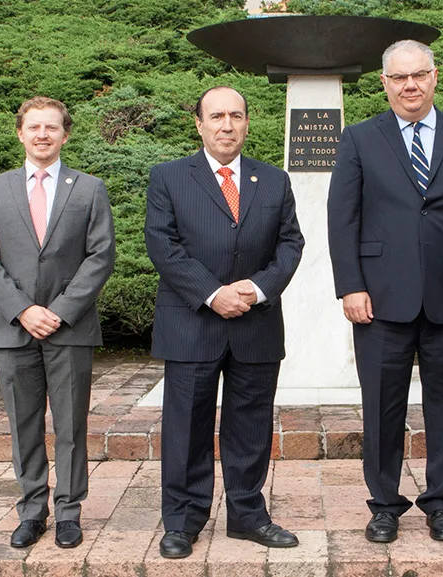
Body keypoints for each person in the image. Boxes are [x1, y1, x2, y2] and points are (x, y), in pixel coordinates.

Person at [327, 40, 443, 543]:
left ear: (434, 76)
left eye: (419, 75)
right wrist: (351, 286)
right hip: (379, 300)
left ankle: (441, 503)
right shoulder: (359, 139)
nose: (410, 85)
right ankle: (384, 505)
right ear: (384, 83)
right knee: (382, 407)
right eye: (399, 77)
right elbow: (343, 218)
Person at [145, 86, 305, 559]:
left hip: (255, 324)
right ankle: (183, 519)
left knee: (251, 425)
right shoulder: (169, 177)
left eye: (236, 115)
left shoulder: (273, 180)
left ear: (248, 123)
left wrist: (254, 290)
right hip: (192, 323)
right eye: (216, 116)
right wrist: (213, 294)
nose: (227, 125)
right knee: (186, 427)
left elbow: (290, 245)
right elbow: (162, 244)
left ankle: (248, 515)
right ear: (199, 124)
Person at [0, 96, 116, 549]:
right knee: (25, 424)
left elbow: (101, 256)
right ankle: (32, 511)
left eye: (51, 127)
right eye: (34, 127)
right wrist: (23, 309)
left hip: (69, 327)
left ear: (65, 134)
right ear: (20, 133)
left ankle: (69, 512)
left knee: (71, 424)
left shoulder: (89, 189)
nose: (42, 135)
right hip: (13, 329)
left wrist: (59, 309)